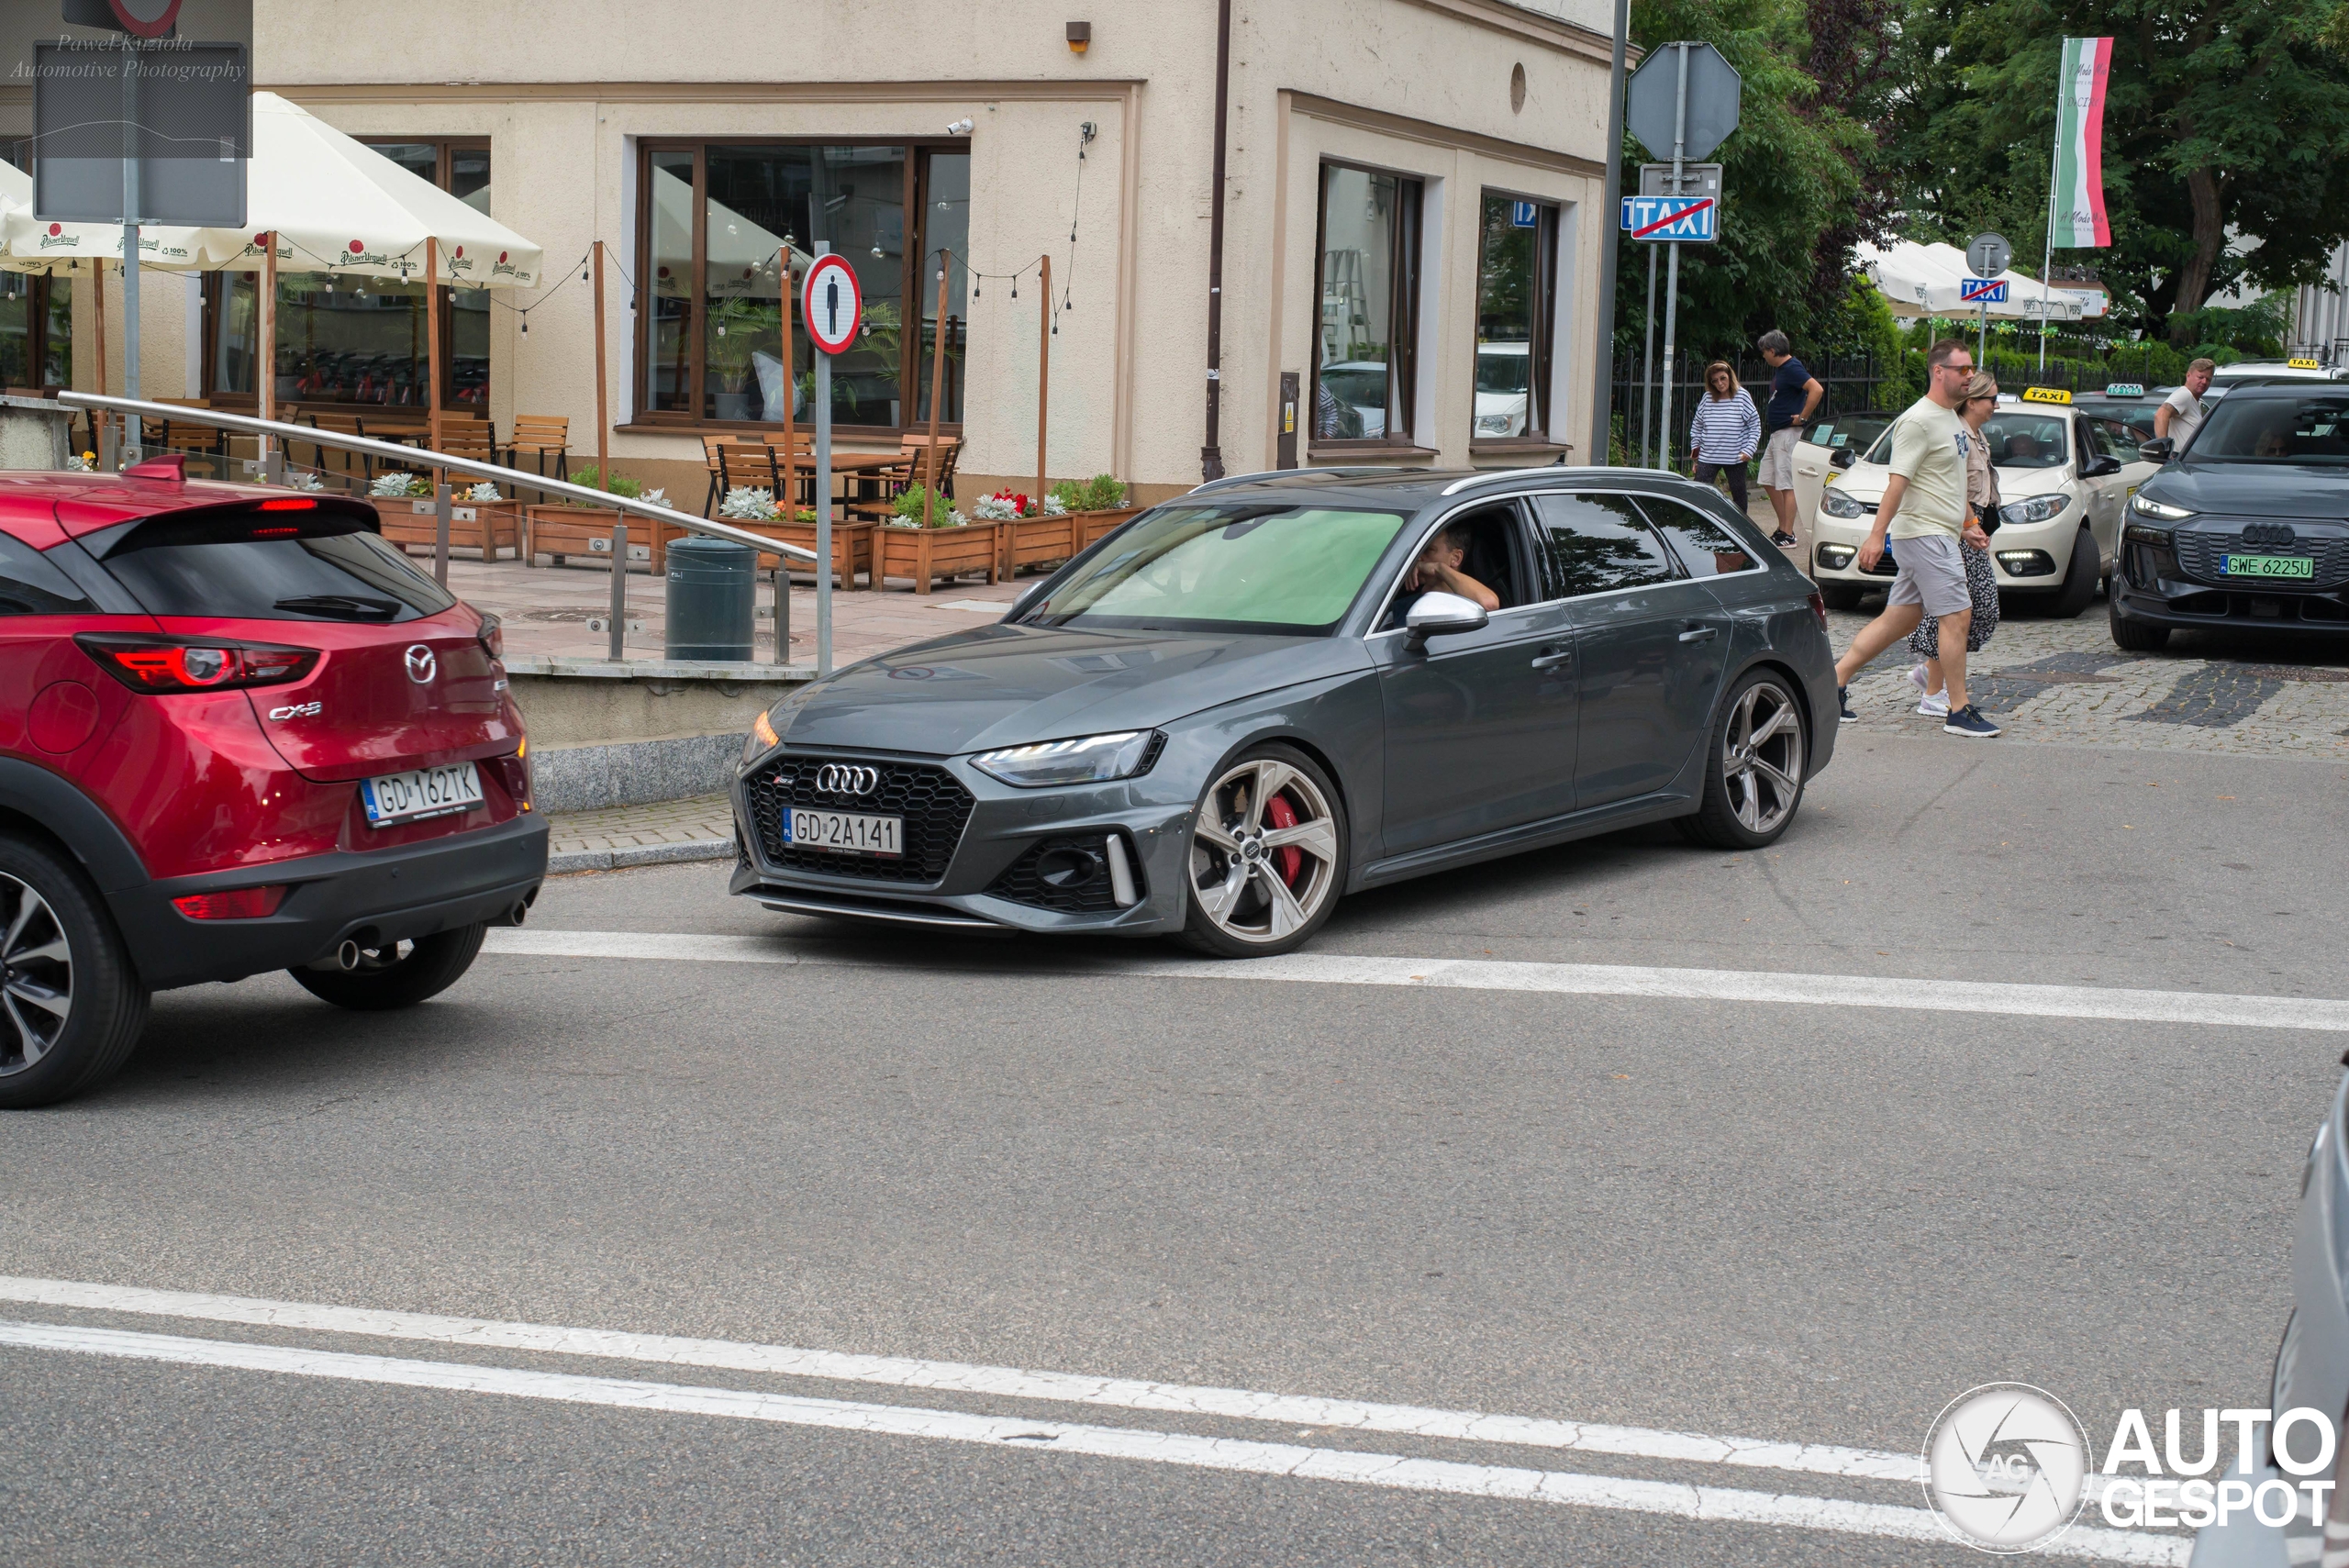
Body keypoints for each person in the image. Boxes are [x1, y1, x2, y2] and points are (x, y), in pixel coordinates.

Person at [1830, 339, 2001, 739]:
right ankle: (1957, 709)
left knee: (1899, 619)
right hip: (1923, 535)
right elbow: (1897, 484)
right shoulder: (1917, 421)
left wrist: (1967, 524)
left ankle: (1831, 684)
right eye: (1962, 370)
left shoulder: (1950, 420)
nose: (1970, 376)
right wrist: (1875, 537)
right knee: (1958, 615)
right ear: (1939, 371)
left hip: (1940, 533)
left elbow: (1951, 484)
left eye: (1971, 369)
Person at [1907, 373, 2003, 718]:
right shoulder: (1957, 434)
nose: (1996, 404)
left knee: (1972, 610)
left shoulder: (1976, 436)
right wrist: (1968, 525)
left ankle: (1935, 678)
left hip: (1970, 523)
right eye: (1992, 398)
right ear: (1973, 401)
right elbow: (1953, 488)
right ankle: (1935, 688)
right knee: (1957, 611)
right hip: (1958, 527)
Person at [1755, 329, 1822, 549]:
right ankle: (1785, 528)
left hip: (1788, 434)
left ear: (1772, 350)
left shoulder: (1792, 367)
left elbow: (1816, 389)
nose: (1763, 356)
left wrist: (1803, 416)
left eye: (1764, 352)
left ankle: (1788, 533)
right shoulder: (1783, 370)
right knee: (1767, 479)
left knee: (1786, 484)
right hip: (1778, 433)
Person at [1385, 523, 1498, 628]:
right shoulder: (1399, 608)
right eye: (1418, 550)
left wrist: (1438, 568)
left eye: (1429, 550)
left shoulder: (1469, 607)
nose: (1418, 558)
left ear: (1456, 558)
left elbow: (1489, 604)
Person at [1687, 361, 1760, 518]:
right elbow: (1697, 427)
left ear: (1730, 377)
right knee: (1699, 492)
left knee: (1739, 494)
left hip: (1735, 457)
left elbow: (1755, 425)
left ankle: (1740, 526)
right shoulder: (1707, 398)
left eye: (1723, 378)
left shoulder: (1742, 396)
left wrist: (1749, 449)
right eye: (1715, 381)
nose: (1720, 383)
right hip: (1709, 456)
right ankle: (1699, 523)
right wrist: (1695, 458)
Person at [2155, 359, 2215, 447]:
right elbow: (2161, 415)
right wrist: (2164, 448)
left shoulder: (2197, 401)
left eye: (2208, 379)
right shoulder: (2185, 394)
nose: (2204, 382)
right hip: (2179, 457)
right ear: (2188, 376)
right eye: (2200, 377)